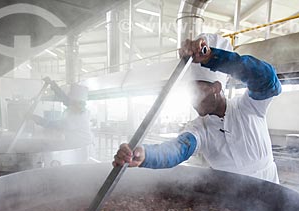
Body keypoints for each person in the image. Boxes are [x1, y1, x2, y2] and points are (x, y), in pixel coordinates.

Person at [112, 33, 282, 183]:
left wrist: (212, 57)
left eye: (197, 91)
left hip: (270, 195)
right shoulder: (200, 128)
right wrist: (144, 155)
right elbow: (178, 149)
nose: (193, 100)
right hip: (231, 201)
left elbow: (267, 79)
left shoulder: (249, 107)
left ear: (216, 87)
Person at [32, 83, 93, 149]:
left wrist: (37, 119)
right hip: (75, 144)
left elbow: (56, 125)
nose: (68, 102)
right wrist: (53, 85)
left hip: (81, 147)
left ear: (77, 102)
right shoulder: (74, 108)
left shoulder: (79, 115)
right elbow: (64, 98)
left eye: (71, 101)